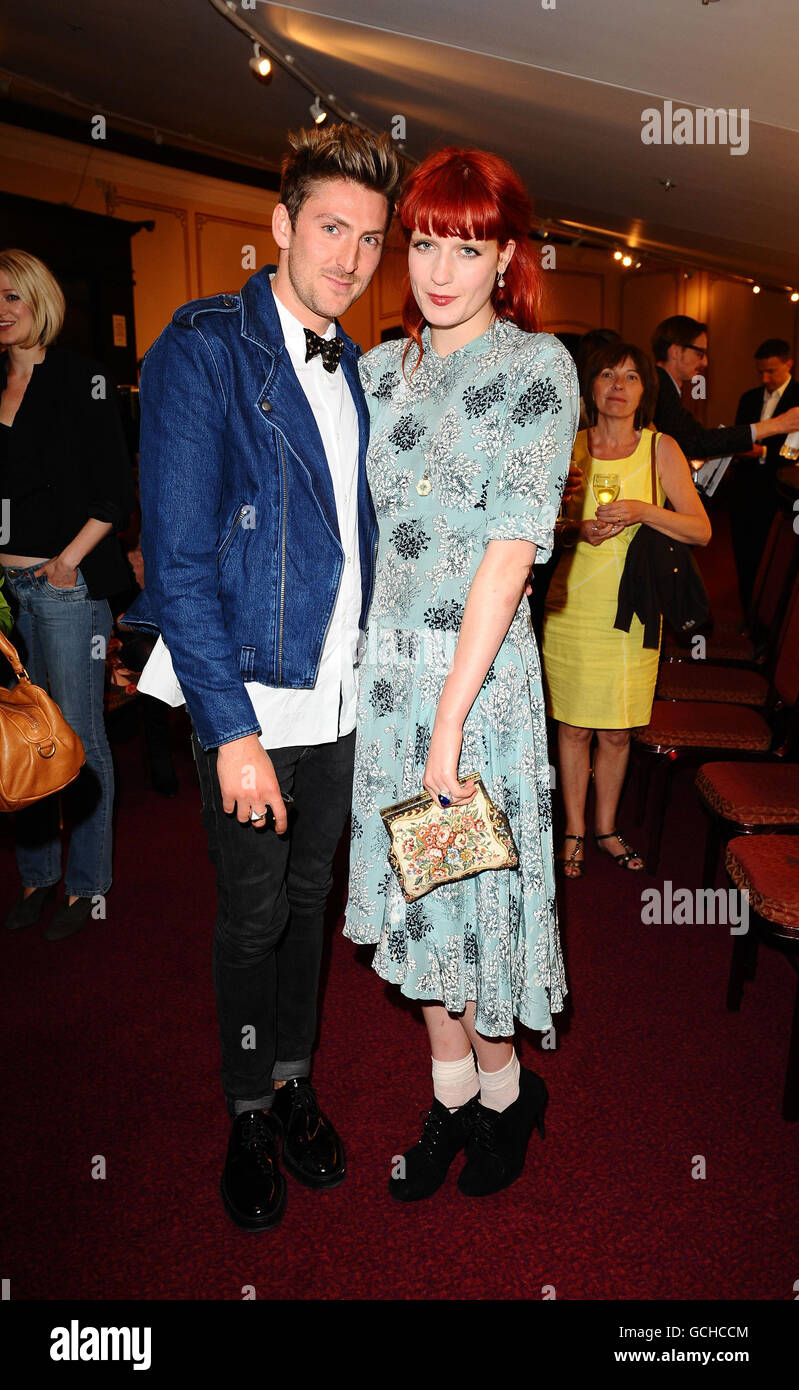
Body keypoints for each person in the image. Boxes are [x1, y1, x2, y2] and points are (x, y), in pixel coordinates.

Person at [126, 125, 402, 1232]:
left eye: (370, 239)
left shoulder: (358, 374)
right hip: (246, 696)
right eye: (330, 228)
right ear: (281, 226)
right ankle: (246, 1106)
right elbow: (181, 560)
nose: (349, 257)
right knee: (249, 917)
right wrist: (229, 731)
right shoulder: (202, 346)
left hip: (337, 699)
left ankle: (293, 1080)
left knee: (306, 904)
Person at [344, 146, 578, 1201]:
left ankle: (503, 1090)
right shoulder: (377, 371)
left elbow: (507, 554)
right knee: (418, 899)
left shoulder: (538, 372)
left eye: (467, 246)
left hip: (474, 696)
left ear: (505, 257)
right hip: (386, 683)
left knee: (473, 900)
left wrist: (446, 721)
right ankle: (448, 1095)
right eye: (426, 241)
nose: (441, 268)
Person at [0, 249, 134, 939]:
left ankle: (86, 885)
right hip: (6, 593)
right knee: (22, 734)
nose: (0, 309)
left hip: (65, 587)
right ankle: (36, 874)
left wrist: (66, 563)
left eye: (11, 296)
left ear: (38, 299)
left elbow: (115, 489)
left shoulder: (82, 375)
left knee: (78, 736)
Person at [541, 342, 711, 878]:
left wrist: (643, 509)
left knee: (616, 732)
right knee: (571, 728)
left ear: (645, 390)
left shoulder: (661, 449)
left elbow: (701, 530)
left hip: (635, 610)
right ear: (590, 386)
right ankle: (572, 828)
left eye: (632, 377)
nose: (619, 385)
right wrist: (575, 529)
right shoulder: (567, 447)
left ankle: (606, 827)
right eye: (608, 375)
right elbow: (537, 527)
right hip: (572, 604)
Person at [652, 315, 799, 462]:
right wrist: (777, 424)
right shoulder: (659, 389)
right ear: (676, 352)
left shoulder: (659, 385)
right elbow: (697, 441)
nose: (705, 362)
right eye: (699, 354)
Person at [730, 338, 799, 607]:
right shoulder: (748, 398)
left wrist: (765, 453)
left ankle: (773, 617)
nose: (765, 377)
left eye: (771, 371)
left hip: (783, 493)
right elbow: (738, 437)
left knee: (776, 559)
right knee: (745, 553)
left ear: (789, 364)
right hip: (746, 488)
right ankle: (748, 611)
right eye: (760, 371)